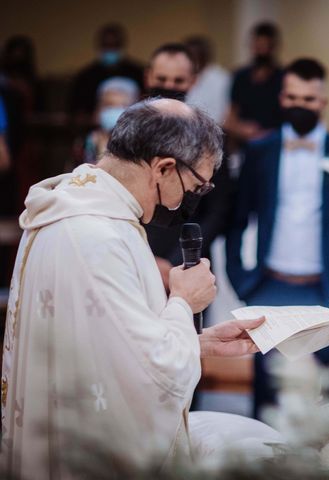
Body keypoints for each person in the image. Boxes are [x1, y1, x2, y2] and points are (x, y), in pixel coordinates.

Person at [0, 99, 282, 478]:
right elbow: (152, 374)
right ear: (164, 167)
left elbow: (103, 343)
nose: (191, 201)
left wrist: (198, 341)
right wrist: (185, 301)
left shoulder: (72, 209)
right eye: (196, 186)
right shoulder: (98, 236)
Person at [226, 58, 329, 419]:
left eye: (308, 99)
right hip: (270, 286)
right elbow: (237, 219)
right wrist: (243, 282)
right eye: (292, 97)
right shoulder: (259, 152)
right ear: (281, 99)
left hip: (328, 289)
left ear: (323, 102)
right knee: (268, 390)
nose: (299, 106)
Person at [142, 43, 235, 293]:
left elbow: (219, 209)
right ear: (148, 76)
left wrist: (175, 262)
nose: (169, 86)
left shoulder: (210, 137)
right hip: (134, 262)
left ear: (192, 81)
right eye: (162, 78)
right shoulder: (128, 131)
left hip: (189, 264)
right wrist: (144, 258)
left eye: (178, 80)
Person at [68, 23, 144, 123]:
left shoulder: (137, 73)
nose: (110, 50)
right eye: (106, 45)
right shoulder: (85, 77)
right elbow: (76, 111)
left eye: (114, 45)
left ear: (121, 45)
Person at [224, 22, 284, 143]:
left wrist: (266, 134)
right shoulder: (240, 76)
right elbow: (230, 117)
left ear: (273, 47)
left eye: (266, 46)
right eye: (258, 46)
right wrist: (241, 129)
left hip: (275, 143)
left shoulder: (284, 78)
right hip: (244, 144)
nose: (261, 51)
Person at [73, 76, 140, 165]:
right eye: (109, 105)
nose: (114, 110)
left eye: (122, 106)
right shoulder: (85, 144)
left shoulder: (139, 145)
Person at [185, 35, 231, 123]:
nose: (193, 60)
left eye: (196, 55)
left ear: (206, 56)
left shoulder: (221, 79)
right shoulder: (182, 76)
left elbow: (222, 115)